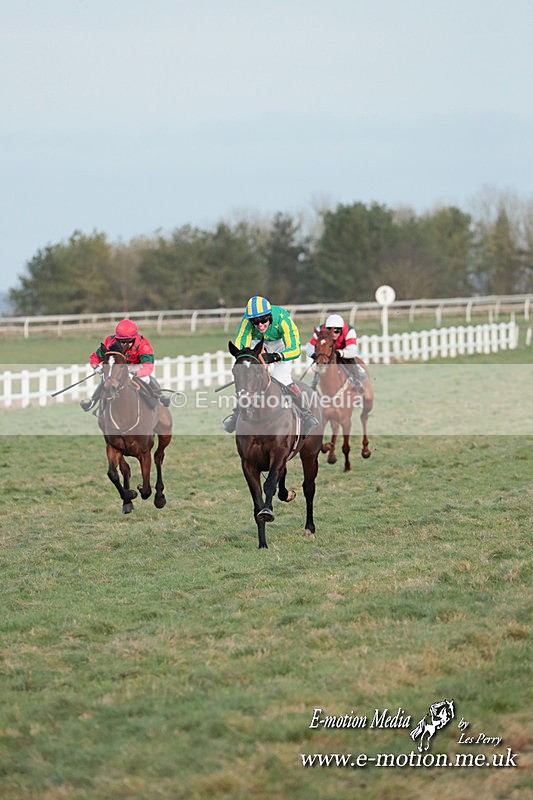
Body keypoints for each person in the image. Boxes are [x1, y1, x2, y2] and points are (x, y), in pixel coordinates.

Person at [223, 296, 319, 436]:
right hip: (258, 344)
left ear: (269, 316)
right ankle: (237, 414)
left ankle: (306, 414)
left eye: (263, 320)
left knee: (281, 377)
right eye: (256, 322)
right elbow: (240, 345)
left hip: (281, 346)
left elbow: (295, 349)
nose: (260, 325)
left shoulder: (283, 319)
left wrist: (276, 356)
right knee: (250, 379)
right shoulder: (246, 322)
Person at [80, 318, 170, 411]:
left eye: (128, 341)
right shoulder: (111, 342)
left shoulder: (143, 345)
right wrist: (96, 366)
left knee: (145, 378)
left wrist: (136, 373)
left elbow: (148, 366)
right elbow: (95, 357)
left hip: (136, 366)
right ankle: (92, 401)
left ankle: (160, 397)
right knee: (108, 378)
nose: (124, 344)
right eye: (121, 341)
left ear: (134, 339)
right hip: (118, 366)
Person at [306, 313, 367, 390]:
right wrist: (314, 355)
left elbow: (352, 350)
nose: (333, 334)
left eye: (337, 331)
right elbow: (309, 348)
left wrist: (340, 353)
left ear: (341, 329)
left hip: (344, 351)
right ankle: (315, 383)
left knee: (350, 360)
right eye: (329, 330)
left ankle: (357, 379)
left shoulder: (349, 331)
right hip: (326, 352)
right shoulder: (320, 330)